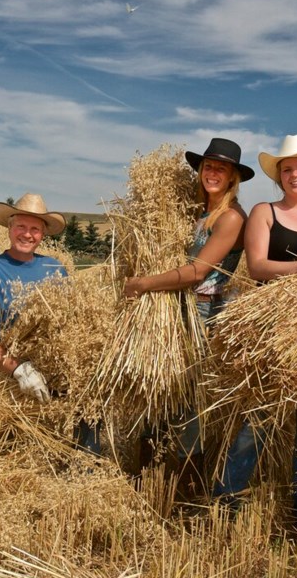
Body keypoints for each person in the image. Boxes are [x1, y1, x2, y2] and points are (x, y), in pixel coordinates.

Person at [211, 133, 297, 527]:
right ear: (278, 177)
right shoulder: (266, 212)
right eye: (287, 169)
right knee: (257, 420)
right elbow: (257, 267)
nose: (294, 174)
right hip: (272, 331)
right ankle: (225, 505)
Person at [123, 137, 254, 498]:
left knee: (189, 401)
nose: (212, 173)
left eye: (221, 169)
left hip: (202, 315)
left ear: (232, 178)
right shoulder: (193, 214)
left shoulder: (231, 218)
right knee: (159, 395)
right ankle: (147, 483)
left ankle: (183, 493)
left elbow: (198, 272)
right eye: (208, 166)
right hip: (170, 310)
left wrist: (143, 284)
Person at [0, 193, 69, 404]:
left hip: (56, 377)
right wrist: (18, 369)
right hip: (9, 385)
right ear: (9, 228)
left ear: (43, 233)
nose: (27, 234)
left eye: (35, 229)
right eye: (21, 227)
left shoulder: (55, 269)